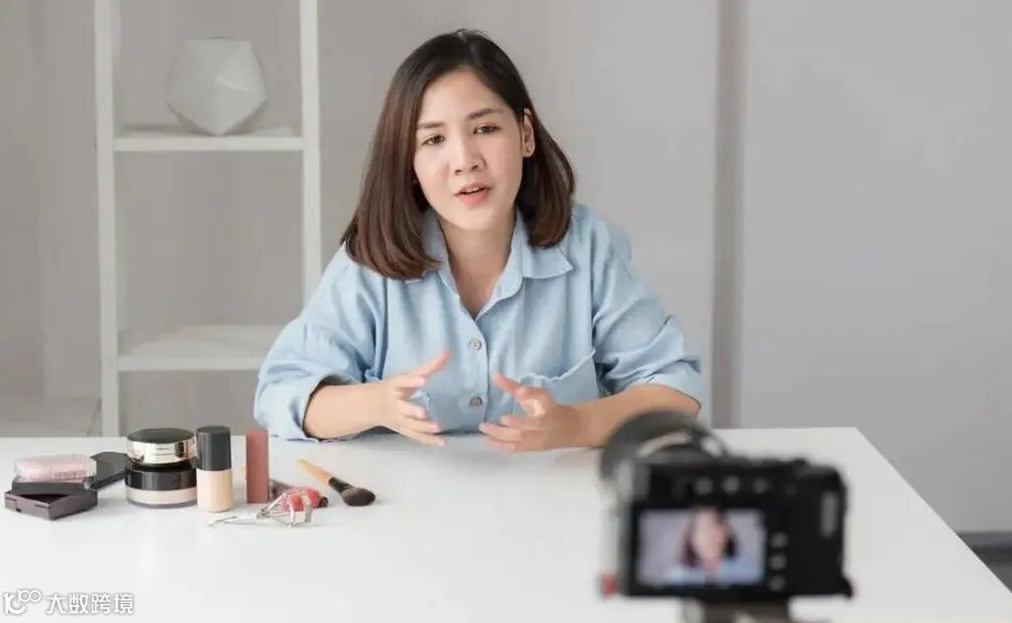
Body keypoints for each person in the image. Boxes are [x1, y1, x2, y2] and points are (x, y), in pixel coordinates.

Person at [253, 29, 701, 451]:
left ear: (525, 134)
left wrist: (575, 425)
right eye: (434, 139)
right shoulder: (371, 262)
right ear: (410, 163)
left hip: (552, 498)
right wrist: (376, 403)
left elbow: (675, 391)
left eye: (485, 129)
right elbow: (280, 394)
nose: (464, 160)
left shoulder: (588, 246)